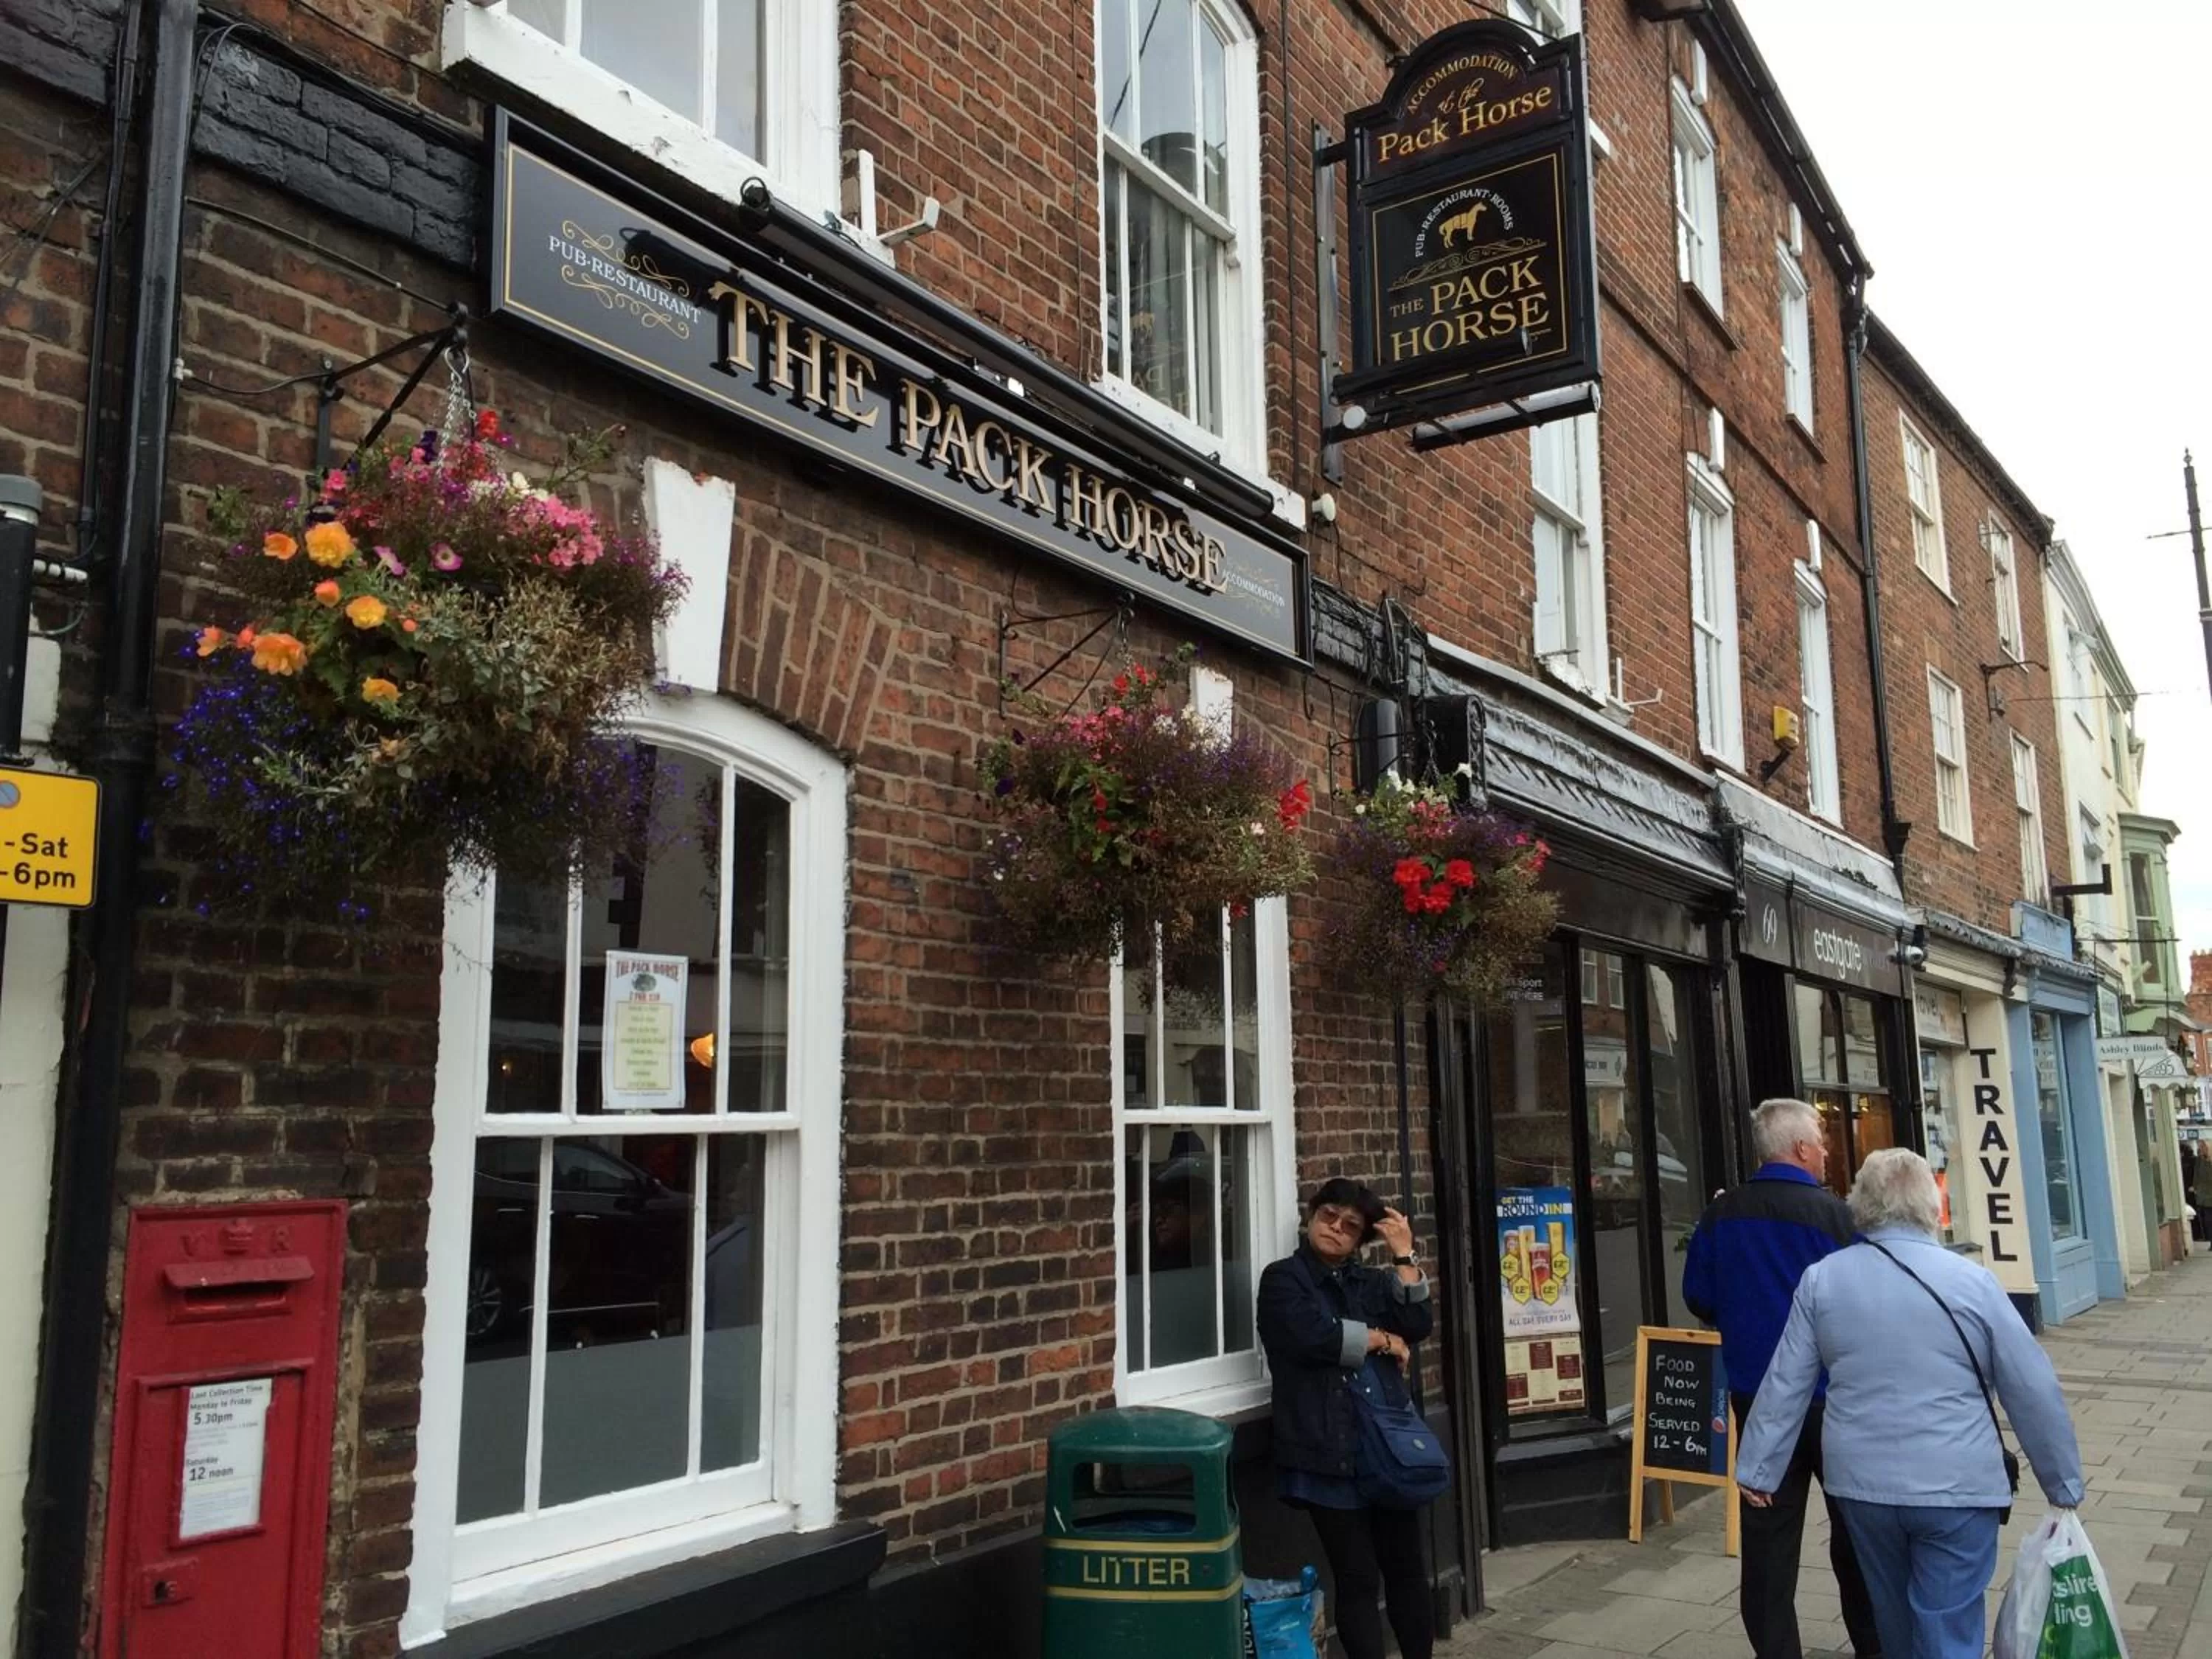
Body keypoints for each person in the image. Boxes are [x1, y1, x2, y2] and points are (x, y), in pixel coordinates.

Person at [1739, 1150, 2084, 1659]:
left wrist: (1759, 1468)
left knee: (1891, 1618)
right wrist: (2062, 1481)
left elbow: (1786, 1381)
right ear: (1932, 1205)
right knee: (1948, 1625)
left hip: (1863, 1485)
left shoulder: (1823, 1279)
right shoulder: (1974, 1282)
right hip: (1957, 1484)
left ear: (1860, 1204)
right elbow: (2031, 1388)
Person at [1680, 1099, 1880, 1659]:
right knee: (1857, 1536)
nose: (1826, 1150)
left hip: (1759, 1403)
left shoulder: (1721, 1216)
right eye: (1820, 1140)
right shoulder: (1840, 1218)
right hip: (1836, 1403)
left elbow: (1698, 1296)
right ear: (1799, 1149)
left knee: (1768, 1547)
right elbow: (1869, 1301)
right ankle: (1873, 1645)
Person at [1256, 1178, 1434, 1659]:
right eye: (1329, 1216)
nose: (1336, 1228)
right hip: (1322, 1450)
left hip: (1384, 1448)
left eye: (1350, 1226)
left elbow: (1417, 1324)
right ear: (1311, 1216)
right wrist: (1380, 1339)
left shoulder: (1370, 1283)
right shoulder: (1283, 1280)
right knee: (1357, 1576)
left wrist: (1403, 1256)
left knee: (1406, 1568)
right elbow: (1312, 1336)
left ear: (1359, 1241)